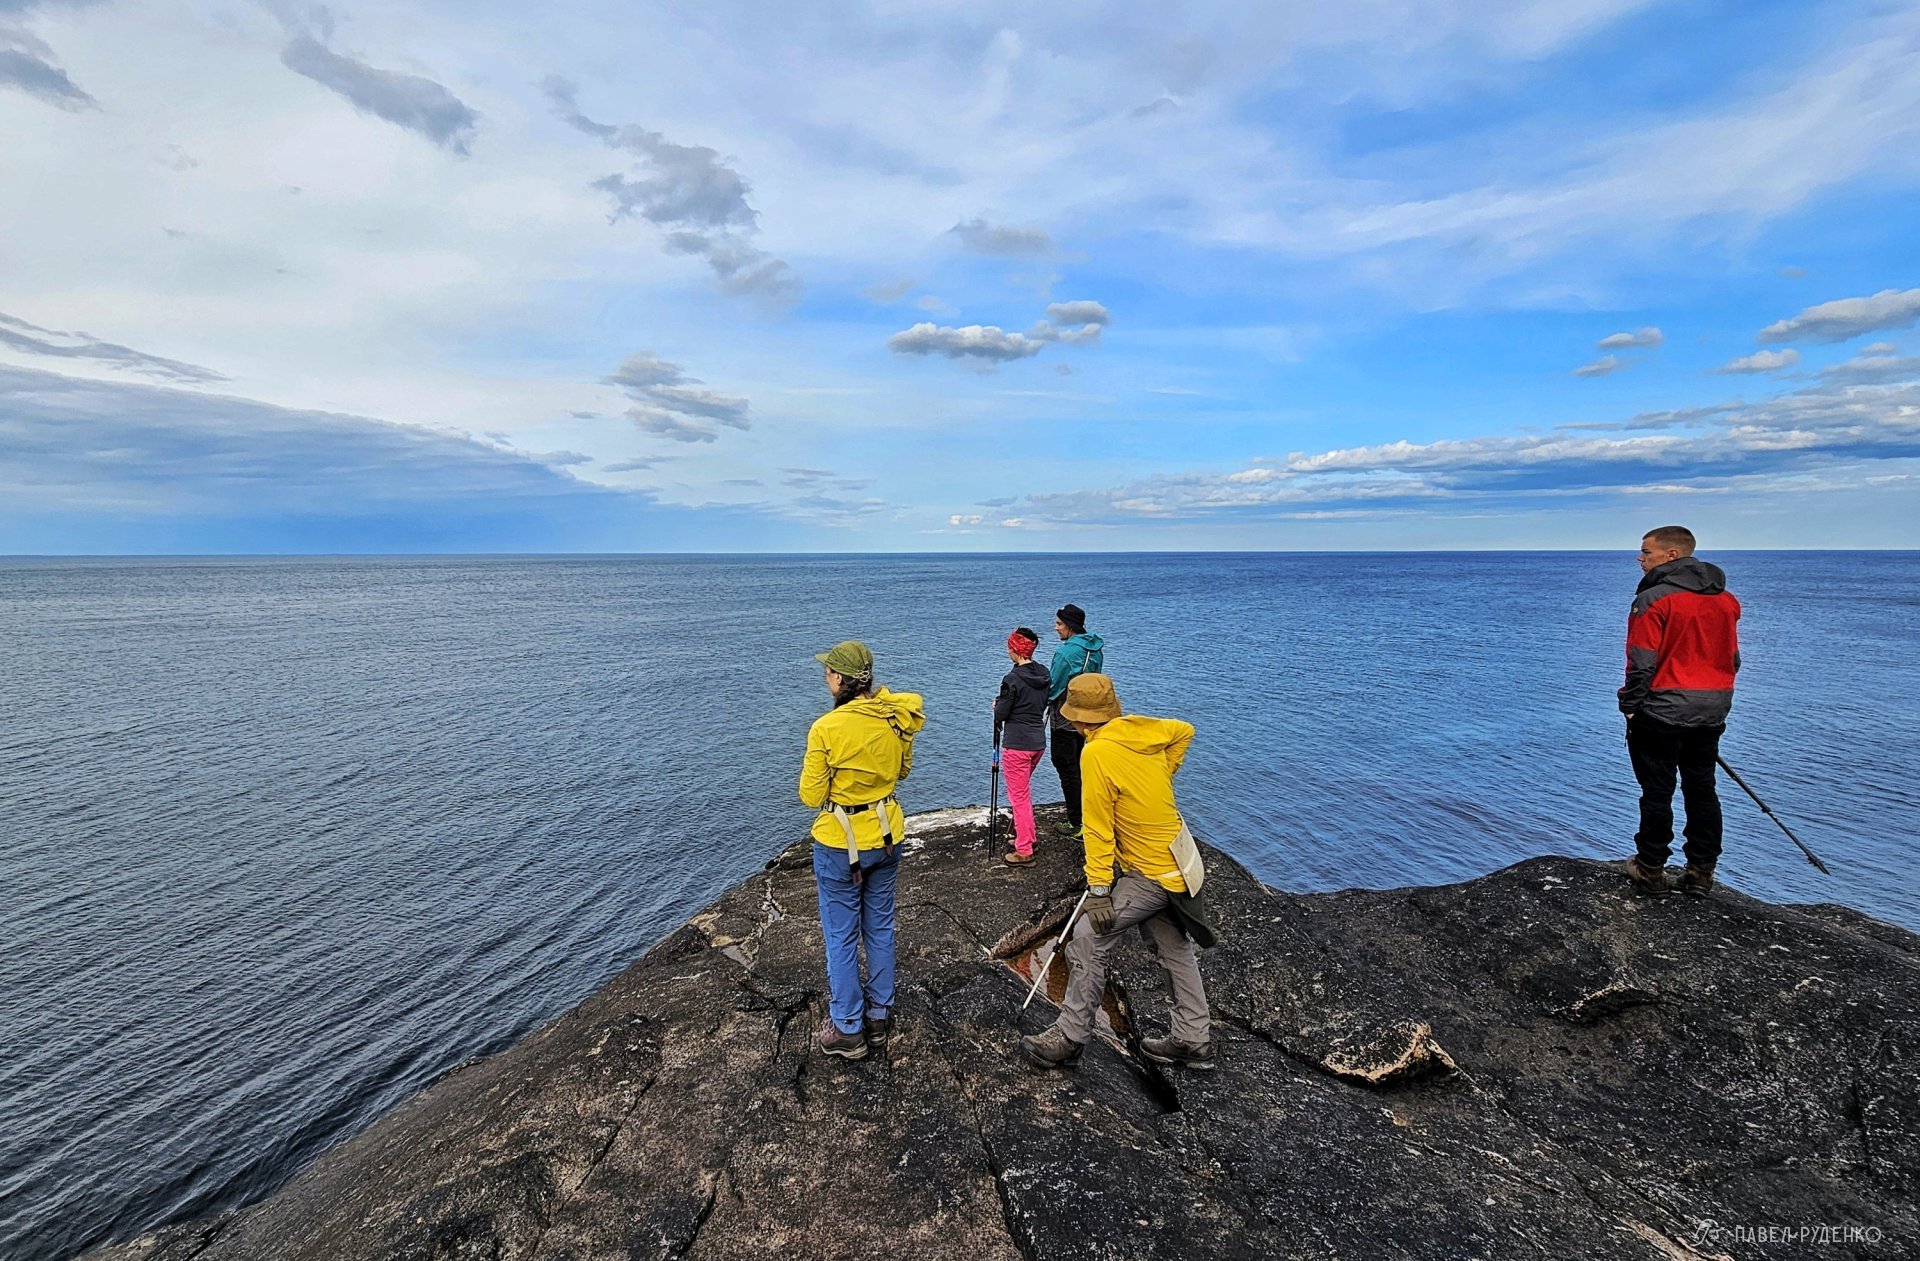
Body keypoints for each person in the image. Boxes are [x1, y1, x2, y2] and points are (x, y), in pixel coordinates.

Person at [1020, 673, 1214, 1072]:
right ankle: (1193, 1039)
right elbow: (1184, 730)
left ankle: (1070, 1037)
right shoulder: (1142, 732)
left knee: (1087, 938)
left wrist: (1098, 889)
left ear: (1077, 718)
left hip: (1150, 872)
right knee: (1173, 948)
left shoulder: (1096, 754)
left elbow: (1097, 828)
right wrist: (1163, 771)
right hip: (1179, 864)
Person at [798, 640, 926, 1059]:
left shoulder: (826, 728)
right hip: (887, 836)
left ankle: (847, 1026)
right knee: (880, 927)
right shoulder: (894, 717)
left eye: (827, 673)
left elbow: (810, 795)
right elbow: (902, 771)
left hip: (840, 843)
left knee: (841, 936)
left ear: (839, 678)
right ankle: (878, 1016)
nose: (825, 678)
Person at [1619, 526, 1741, 897]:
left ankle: (1651, 868)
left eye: (1646, 552)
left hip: (1663, 707)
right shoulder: (1726, 601)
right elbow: (1732, 658)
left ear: (1672, 555)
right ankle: (1701, 872)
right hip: (1713, 705)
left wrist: (1630, 705)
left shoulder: (1653, 600)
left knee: (1657, 790)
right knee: (1702, 788)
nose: (1640, 558)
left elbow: (1641, 662)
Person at [1045, 603, 1105, 839]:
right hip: (1090, 717)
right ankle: (1089, 815)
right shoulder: (1095, 649)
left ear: (1070, 626)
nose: (1055, 627)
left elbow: (1053, 687)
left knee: (1065, 765)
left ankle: (1076, 822)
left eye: (1059, 623)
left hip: (1066, 718)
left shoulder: (1065, 654)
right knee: (1084, 766)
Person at [993, 627, 1050, 866]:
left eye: (1010, 647)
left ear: (1015, 650)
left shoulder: (1012, 679)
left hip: (1017, 744)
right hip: (1037, 742)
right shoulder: (1044, 673)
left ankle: (1024, 849)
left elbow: (1002, 713)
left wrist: (997, 705)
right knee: (1023, 793)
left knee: (1019, 797)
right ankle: (1029, 837)